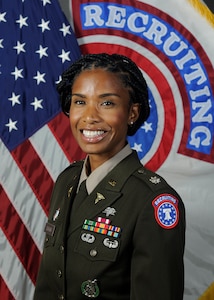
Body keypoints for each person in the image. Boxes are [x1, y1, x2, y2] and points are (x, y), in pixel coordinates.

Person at [34, 53, 185, 300]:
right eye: (80, 102)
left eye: (107, 103)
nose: (90, 116)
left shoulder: (153, 201)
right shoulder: (67, 181)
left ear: (132, 113)